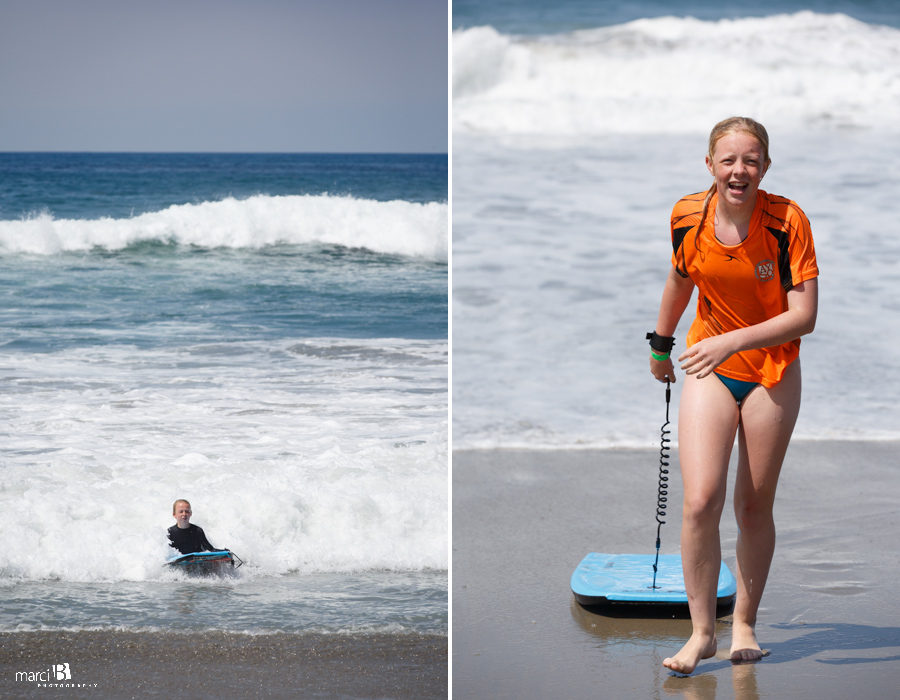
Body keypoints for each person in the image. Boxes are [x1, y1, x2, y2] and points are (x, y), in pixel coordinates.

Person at [648, 117, 818, 674]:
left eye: (751, 160)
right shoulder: (686, 215)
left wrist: (733, 341)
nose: (739, 170)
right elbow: (680, 279)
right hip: (708, 366)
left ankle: (744, 621)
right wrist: (660, 346)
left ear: (765, 167)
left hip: (772, 370)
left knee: (752, 505)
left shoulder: (787, 221)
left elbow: (804, 317)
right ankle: (701, 634)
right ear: (710, 165)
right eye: (728, 160)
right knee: (700, 501)